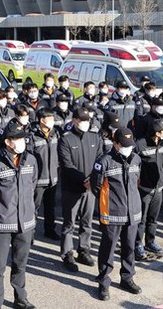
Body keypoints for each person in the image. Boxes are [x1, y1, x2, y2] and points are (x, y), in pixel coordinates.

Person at [0, 123, 37, 309]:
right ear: (7, 142)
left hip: (25, 222)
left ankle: (20, 298)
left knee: (20, 264)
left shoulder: (31, 160)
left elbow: (33, 186)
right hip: (2, 223)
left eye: (23, 138)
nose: (22, 142)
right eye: (18, 139)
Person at [90, 128, 143, 301]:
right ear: (115, 144)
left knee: (129, 248)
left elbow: (137, 182)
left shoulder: (136, 158)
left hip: (132, 212)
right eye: (124, 145)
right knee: (108, 249)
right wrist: (110, 203)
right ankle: (104, 281)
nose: (129, 148)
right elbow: (96, 186)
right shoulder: (104, 161)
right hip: (112, 213)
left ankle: (127, 278)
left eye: (130, 145)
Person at [58, 108, 104, 272]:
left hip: (89, 189)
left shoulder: (95, 137)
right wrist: (83, 180)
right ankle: (67, 253)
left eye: (87, 120)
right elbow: (66, 164)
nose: (85, 123)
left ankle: (84, 250)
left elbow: (100, 160)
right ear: (74, 120)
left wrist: (92, 181)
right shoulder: (65, 139)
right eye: (82, 120)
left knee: (87, 222)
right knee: (69, 222)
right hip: (72, 188)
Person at [134, 120, 163, 260]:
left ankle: (150, 241)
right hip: (144, 189)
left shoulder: (162, 144)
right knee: (141, 220)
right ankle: (137, 244)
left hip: (158, 189)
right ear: (157, 133)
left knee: (153, 219)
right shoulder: (140, 145)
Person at [30, 108, 61, 240]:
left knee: (50, 207)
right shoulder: (32, 136)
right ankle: (30, 233)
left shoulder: (55, 134)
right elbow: (29, 158)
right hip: (38, 179)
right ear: (41, 120)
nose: (52, 121)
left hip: (53, 178)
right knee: (34, 208)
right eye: (49, 119)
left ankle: (50, 229)